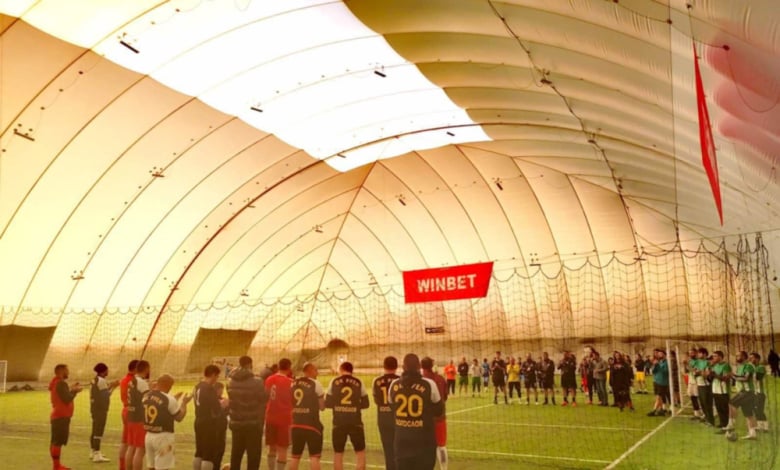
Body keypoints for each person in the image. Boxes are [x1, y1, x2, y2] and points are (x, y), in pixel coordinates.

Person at [389, 353, 443, 470]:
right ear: (419, 366)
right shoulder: (429, 384)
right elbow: (439, 410)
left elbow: (392, 407)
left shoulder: (394, 385)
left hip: (401, 442)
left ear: (403, 367)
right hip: (424, 442)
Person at [325, 361, 369, 470]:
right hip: (355, 422)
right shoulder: (359, 382)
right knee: (360, 453)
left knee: (338, 454)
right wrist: (354, 407)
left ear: (341, 369)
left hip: (338, 422)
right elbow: (366, 403)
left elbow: (328, 403)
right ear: (351, 371)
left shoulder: (334, 381)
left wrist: (338, 405)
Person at [143, 374, 192, 470]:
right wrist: (184, 403)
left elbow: (160, 406)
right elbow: (179, 417)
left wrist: (174, 399)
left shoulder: (147, 396)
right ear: (169, 386)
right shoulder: (169, 399)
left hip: (149, 436)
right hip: (163, 437)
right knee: (163, 467)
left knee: (151, 467)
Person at [228, 355, 268, 470]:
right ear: (250, 364)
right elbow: (262, 399)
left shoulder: (230, 381)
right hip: (253, 423)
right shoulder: (257, 382)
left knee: (236, 454)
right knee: (253, 456)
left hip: (236, 422)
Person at [290, 362, 326, 470]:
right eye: (316, 370)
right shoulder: (315, 383)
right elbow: (322, 407)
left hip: (296, 424)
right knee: (314, 457)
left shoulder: (293, 383)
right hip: (312, 425)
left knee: (295, 457)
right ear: (310, 371)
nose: (317, 373)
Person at [49, 364, 83, 470]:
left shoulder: (56, 382)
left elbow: (63, 394)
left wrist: (71, 388)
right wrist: (75, 391)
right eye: (66, 370)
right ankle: (56, 467)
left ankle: (56, 465)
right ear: (61, 371)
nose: (68, 372)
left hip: (57, 416)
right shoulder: (60, 383)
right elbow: (67, 398)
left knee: (54, 442)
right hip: (61, 416)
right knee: (57, 443)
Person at [266, 358, 295, 470]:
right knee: (283, 449)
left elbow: (266, 395)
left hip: (270, 417)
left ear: (278, 366)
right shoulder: (291, 382)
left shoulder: (269, 379)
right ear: (289, 368)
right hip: (284, 419)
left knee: (272, 448)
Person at [193, 364, 224, 470]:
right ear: (213, 375)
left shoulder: (197, 386)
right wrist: (223, 405)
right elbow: (216, 408)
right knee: (208, 454)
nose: (217, 379)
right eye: (217, 376)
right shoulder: (209, 388)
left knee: (199, 452)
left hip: (198, 420)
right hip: (208, 423)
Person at [372, 356, 400, 470]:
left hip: (383, 419)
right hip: (398, 419)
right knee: (400, 449)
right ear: (396, 366)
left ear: (384, 366)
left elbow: (376, 400)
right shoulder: (400, 380)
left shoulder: (377, 381)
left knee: (388, 450)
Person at [421, 357, 449, 470]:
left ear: (421, 366)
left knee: (424, 445)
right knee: (441, 446)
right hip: (439, 417)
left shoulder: (420, 380)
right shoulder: (440, 378)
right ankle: (444, 468)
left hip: (423, 419)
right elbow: (445, 397)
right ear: (432, 366)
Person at [90, 362, 118, 463]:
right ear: (103, 371)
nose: (108, 371)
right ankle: (97, 454)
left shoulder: (95, 379)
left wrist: (110, 386)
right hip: (100, 409)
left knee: (94, 429)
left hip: (94, 408)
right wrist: (114, 387)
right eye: (107, 370)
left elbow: (102, 392)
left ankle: (93, 451)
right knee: (99, 431)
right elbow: (106, 396)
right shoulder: (101, 381)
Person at [726, 351, 757, 440]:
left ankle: (731, 424)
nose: (737, 357)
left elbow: (746, 378)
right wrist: (733, 375)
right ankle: (752, 433)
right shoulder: (740, 367)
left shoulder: (748, 366)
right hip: (745, 391)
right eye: (736, 356)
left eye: (739, 356)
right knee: (748, 413)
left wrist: (733, 377)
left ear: (744, 357)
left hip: (748, 391)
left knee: (732, 403)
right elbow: (739, 376)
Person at [126, 360, 151, 470]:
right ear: (146, 369)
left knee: (131, 447)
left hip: (130, 416)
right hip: (139, 418)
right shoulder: (141, 382)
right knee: (140, 449)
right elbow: (147, 400)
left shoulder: (132, 381)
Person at [119, 359, 139, 470]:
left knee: (125, 441)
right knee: (133, 445)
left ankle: (122, 467)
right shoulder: (135, 381)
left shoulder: (123, 380)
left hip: (126, 409)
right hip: (133, 412)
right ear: (136, 369)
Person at [710, 351, 732, 431]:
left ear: (720, 357)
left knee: (724, 409)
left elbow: (725, 378)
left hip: (723, 391)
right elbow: (711, 378)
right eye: (713, 356)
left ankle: (726, 426)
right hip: (715, 389)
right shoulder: (715, 366)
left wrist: (714, 374)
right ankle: (722, 423)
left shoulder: (726, 366)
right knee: (718, 408)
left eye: (715, 356)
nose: (713, 358)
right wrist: (710, 374)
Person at [693, 347, 715, 426]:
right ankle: (706, 418)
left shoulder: (708, 363)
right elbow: (694, 372)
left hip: (706, 385)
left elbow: (707, 374)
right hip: (699, 384)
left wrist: (700, 372)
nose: (698, 354)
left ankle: (711, 421)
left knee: (707, 403)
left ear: (704, 354)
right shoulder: (697, 362)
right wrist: (698, 372)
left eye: (700, 353)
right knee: (702, 403)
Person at [750, 352, 769, 432]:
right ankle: (760, 425)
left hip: (760, 392)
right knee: (755, 409)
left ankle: (766, 426)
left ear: (757, 359)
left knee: (759, 409)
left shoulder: (760, 367)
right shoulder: (753, 368)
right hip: (754, 391)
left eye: (752, 358)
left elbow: (758, 377)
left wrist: (750, 372)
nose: (750, 359)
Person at [648, 349, 670, 417]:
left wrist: (658, 365)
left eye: (661, 354)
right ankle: (661, 410)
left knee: (659, 396)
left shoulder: (666, 362)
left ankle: (654, 410)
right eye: (658, 354)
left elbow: (665, 371)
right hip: (656, 381)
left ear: (664, 355)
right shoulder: (658, 362)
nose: (659, 355)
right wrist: (654, 365)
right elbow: (653, 371)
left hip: (662, 382)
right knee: (658, 397)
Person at [212, 382, 229, 470]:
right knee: (215, 452)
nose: (221, 392)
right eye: (220, 390)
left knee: (220, 451)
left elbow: (227, 413)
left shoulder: (223, 399)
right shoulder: (211, 400)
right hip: (214, 429)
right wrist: (222, 407)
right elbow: (214, 414)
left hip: (222, 428)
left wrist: (227, 405)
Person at [684, 349, 703, 421]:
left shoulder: (698, 362)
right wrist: (685, 365)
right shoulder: (690, 361)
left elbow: (695, 371)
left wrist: (687, 365)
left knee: (699, 398)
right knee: (692, 397)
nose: (691, 354)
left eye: (692, 353)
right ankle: (696, 413)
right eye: (690, 353)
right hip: (691, 381)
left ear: (696, 353)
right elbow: (686, 371)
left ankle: (703, 413)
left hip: (697, 382)